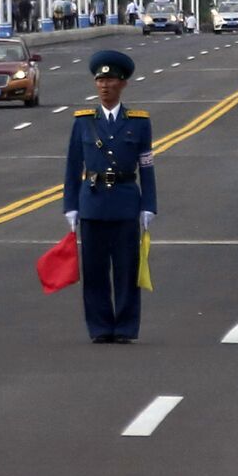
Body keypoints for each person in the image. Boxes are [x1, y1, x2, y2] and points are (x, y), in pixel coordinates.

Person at [63, 50, 156, 344]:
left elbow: (147, 165)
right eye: (100, 80)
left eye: (111, 80)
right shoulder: (83, 122)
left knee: (127, 271)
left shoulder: (139, 122)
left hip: (127, 202)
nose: (105, 86)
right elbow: (72, 165)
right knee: (94, 271)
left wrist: (149, 205)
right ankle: (100, 327)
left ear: (123, 84)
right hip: (92, 203)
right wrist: (71, 206)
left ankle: (126, 327)